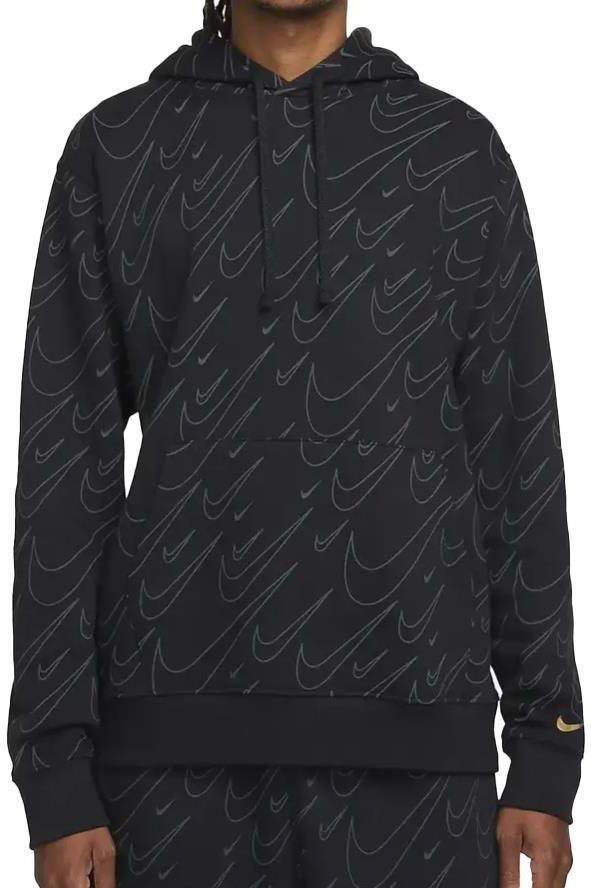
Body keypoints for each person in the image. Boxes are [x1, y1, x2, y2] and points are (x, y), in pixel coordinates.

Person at [8, 0, 584, 885]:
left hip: (422, 770)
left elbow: (517, 464)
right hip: (164, 771)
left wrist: (546, 750)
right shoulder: (116, 148)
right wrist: (54, 777)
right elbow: (62, 471)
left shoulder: (457, 155)